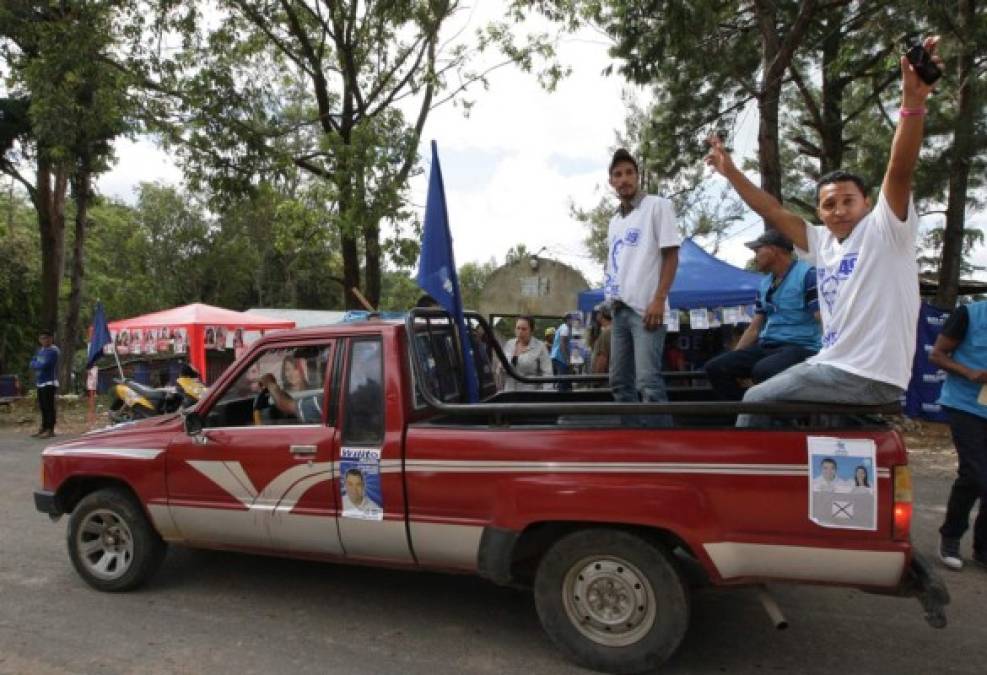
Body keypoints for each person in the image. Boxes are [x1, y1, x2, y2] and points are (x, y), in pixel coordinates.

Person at [705, 37, 943, 426]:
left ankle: (757, 483)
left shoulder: (886, 231)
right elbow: (770, 208)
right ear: (819, 211)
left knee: (756, 400)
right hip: (833, 367)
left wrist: (913, 104)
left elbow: (899, 170)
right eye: (829, 204)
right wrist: (729, 170)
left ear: (867, 203)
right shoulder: (822, 242)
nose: (839, 210)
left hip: (868, 375)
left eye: (848, 200)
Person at [604, 148, 681, 426]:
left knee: (648, 381)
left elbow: (671, 255)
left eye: (628, 173)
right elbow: (616, 265)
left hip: (647, 309)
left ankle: (662, 450)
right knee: (619, 383)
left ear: (637, 176)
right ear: (611, 181)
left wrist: (659, 299)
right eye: (617, 174)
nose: (623, 179)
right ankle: (634, 444)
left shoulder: (657, 206)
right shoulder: (615, 221)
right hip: (620, 310)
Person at [703, 231, 820, 401]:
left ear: (773, 250)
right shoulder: (765, 283)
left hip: (802, 346)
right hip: (769, 347)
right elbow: (754, 328)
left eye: (758, 251)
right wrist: (735, 357)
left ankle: (781, 419)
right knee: (716, 367)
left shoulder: (808, 274)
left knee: (763, 370)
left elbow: (822, 318)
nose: (755, 256)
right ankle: (745, 415)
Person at [929, 300, 987, 571]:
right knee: (975, 474)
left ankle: (983, 549)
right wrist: (970, 372)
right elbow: (937, 355)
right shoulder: (969, 314)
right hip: (966, 405)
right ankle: (950, 538)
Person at [258, 353, 321, 423]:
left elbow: (287, 405)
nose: (291, 373)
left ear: (304, 369)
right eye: (287, 369)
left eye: (295, 368)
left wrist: (269, 383)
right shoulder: (282, 393)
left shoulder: (316, 395)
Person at [500, 316, 552, 392]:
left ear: (531, 330)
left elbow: (548, 374)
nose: (520, 332)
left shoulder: (540, 347)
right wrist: (501, 367)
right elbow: (503, 368)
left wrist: (547, 396)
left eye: (524, 329)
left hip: (530, 395)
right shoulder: (509, 344)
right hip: (509, 393)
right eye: (518, 328)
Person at [29, 329, 60, 438]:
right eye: (41, 338)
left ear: (51, 339)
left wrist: (37, 364)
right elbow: (32, 362)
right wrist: (37, 364)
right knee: (42, 406)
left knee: (49, 406)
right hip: (40, 381)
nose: (44, 340)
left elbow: (45, 365)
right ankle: (43, 427)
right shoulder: (40, 350)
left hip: (49, 382)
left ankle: (50, 429)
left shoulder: (53, 351)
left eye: (46, 338)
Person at [549, 314, 575, 391]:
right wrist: (567, 359)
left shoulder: (566, 328)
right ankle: (561, 399)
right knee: (563, 380)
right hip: (559, 357)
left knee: (566, 380)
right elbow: (562, 345)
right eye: (572, 319)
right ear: (568, 320)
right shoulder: (565, 328)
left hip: (559, 357)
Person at [591, 304, 613, 375]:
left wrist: (596, 380)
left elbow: (602, 358)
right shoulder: (613, 330)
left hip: (604, 380)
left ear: (601, 315)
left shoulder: (607, 332)